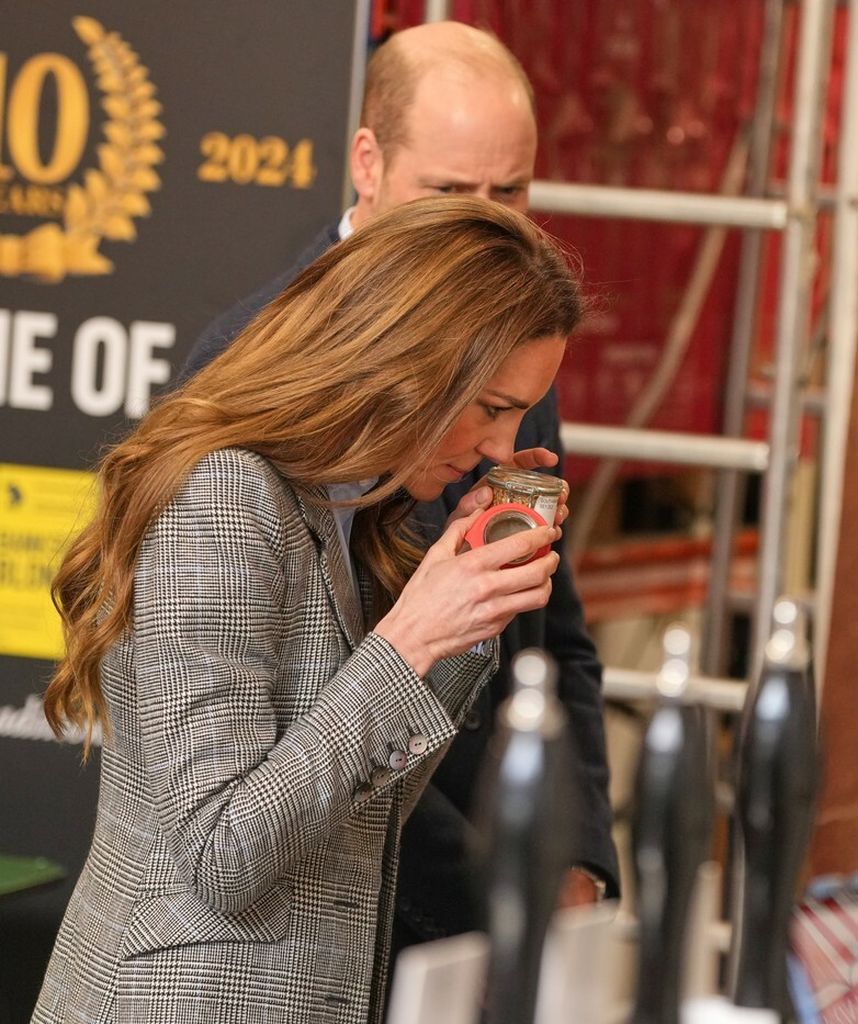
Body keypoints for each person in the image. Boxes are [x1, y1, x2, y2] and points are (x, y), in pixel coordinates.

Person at [33, 197, 581, 1024]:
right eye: (493, 407)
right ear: (406, 360)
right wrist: (410, 641)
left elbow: (358, 819)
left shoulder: (349, 506)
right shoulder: (224, 495)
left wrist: (467, 615)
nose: (501, 450)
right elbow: (223, 852)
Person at [181, 21, 619, 942]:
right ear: (368, 164)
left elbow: (548, 639)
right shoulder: (249, 374)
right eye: (450, 191)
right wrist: (493, 887)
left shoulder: (520, 348)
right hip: (311, 922)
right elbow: (231, 811)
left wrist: (572, 857)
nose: (487, 224)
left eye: (511, 191)